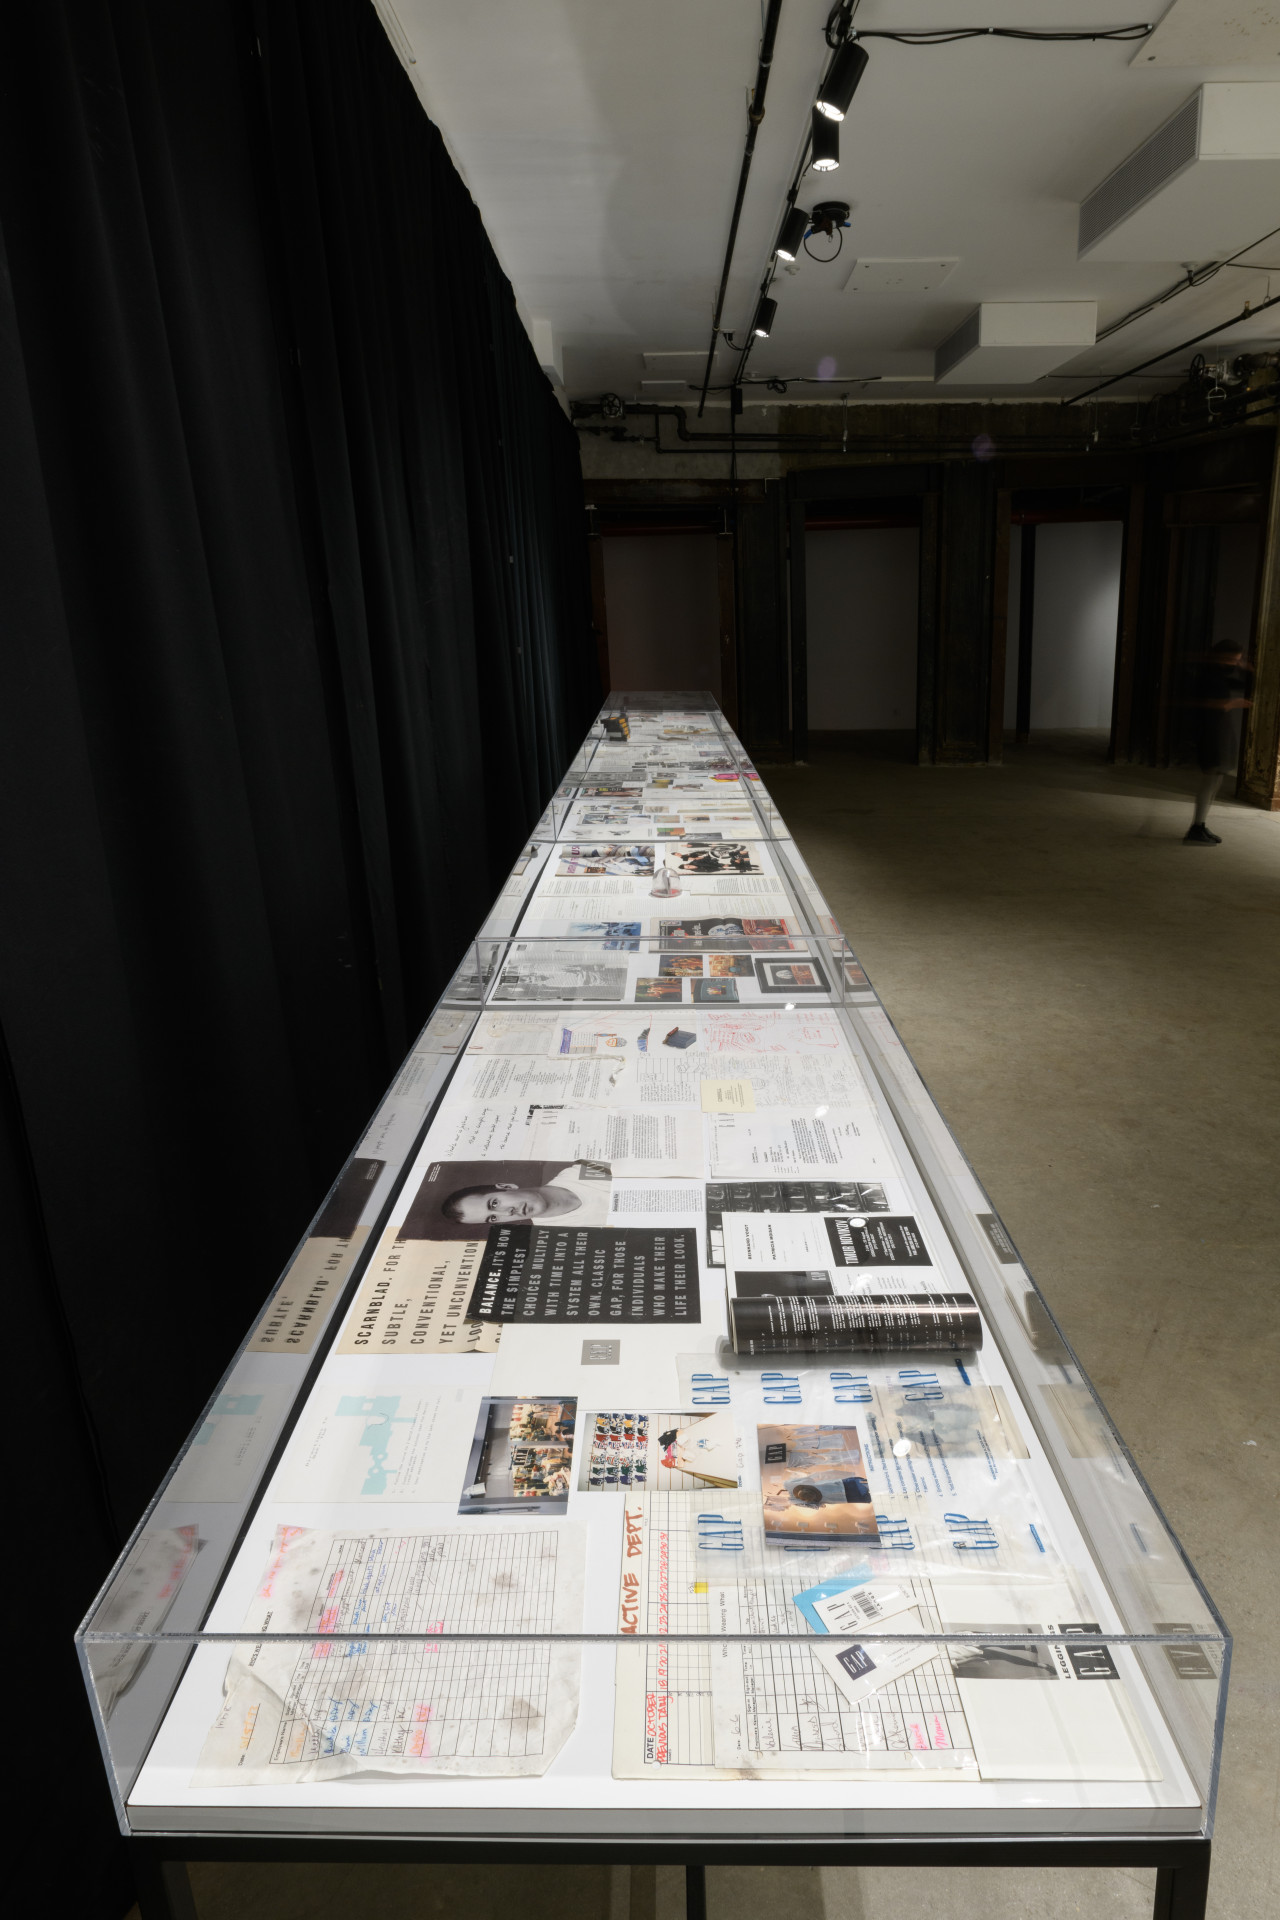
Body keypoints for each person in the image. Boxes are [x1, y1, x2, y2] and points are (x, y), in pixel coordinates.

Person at [1184, 639, 1254, 845]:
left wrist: (1245, 670)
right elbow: (1206, 705)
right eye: (1234, 659)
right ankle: (1196, 827)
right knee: (1210, 779)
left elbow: (1243, 685)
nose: (1236, 662)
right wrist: (1233, 703)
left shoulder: (1217, 673)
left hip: (1218, 730)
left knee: (1216, 779)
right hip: (1210, 731)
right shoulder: (1208, 675)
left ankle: (1201, 825)